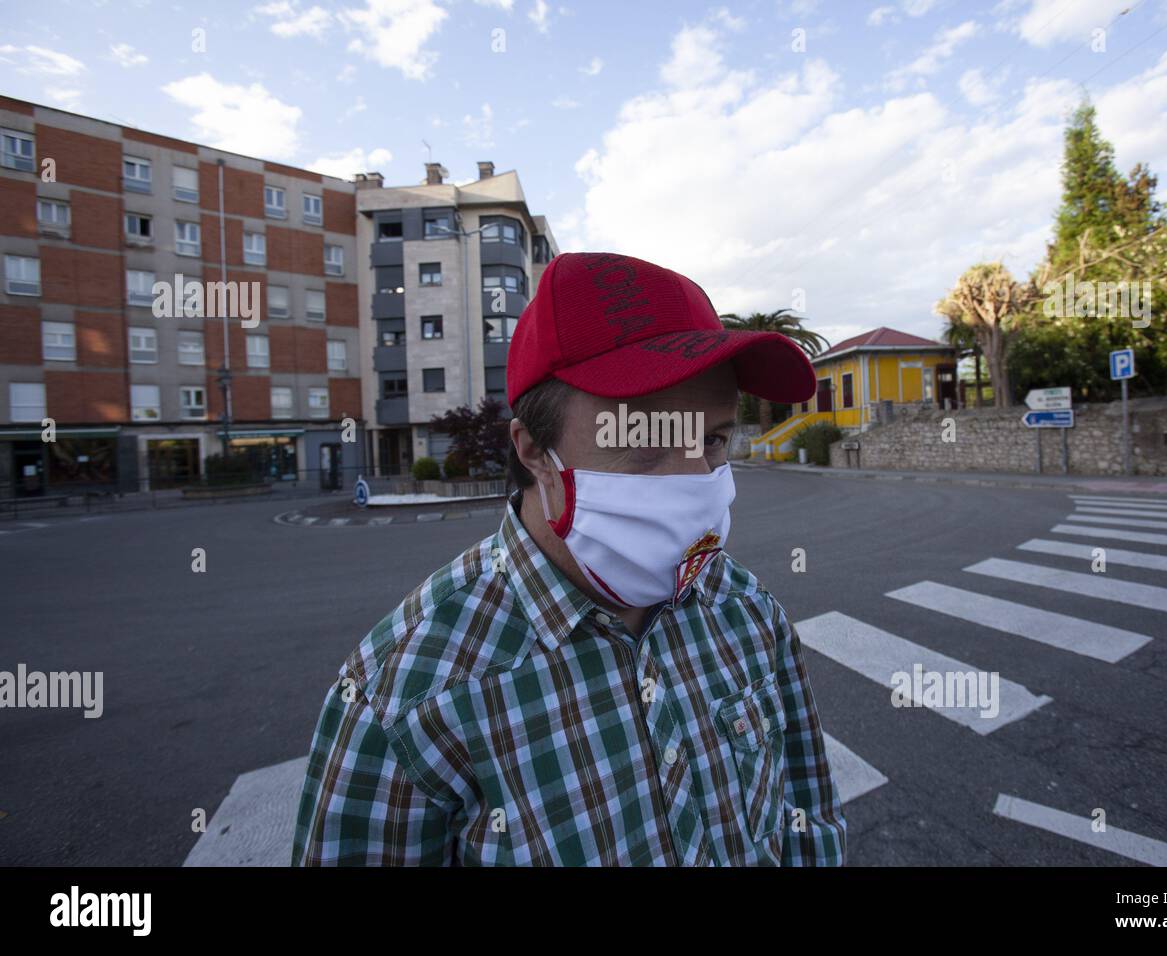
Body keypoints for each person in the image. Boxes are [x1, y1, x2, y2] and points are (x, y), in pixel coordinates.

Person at [292, 251, 847, 866]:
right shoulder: (406, 698)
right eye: (647, 438)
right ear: (534, 450)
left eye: (713, 438)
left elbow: (808, 817)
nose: (699, 478)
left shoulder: (746, 612)